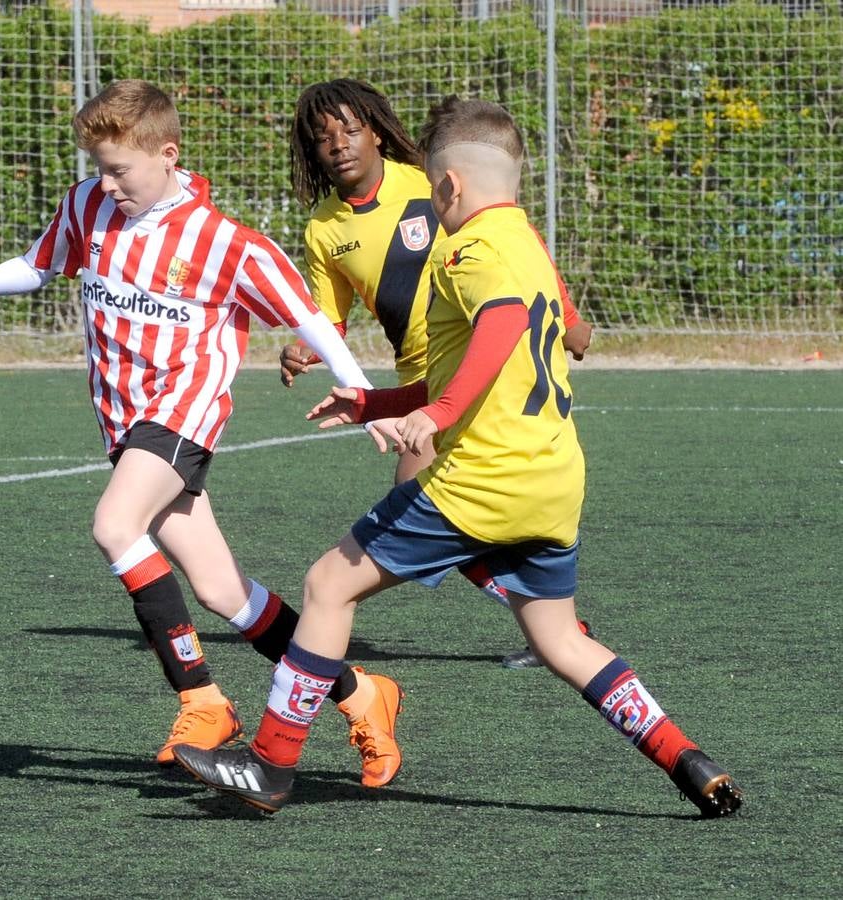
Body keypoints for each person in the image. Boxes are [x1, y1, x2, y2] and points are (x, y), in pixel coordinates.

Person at [175, 95, 742, 818]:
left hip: (481, 478)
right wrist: (375, 402)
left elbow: (501, 324)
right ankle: (685, 759)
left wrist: (435, 415)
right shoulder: (526, 243)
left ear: (446, 186)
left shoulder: (470, 249)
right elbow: (492, 349)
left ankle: (271, 766)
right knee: (560, 639)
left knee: (325, 587)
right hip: (552, 478)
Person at [0, 79, 404, 787]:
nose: (107, 183)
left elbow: (306, 316)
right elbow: (39, 264)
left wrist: (364, 395)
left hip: (181, 412)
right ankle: (359, 693)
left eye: (119, 169)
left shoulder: (226, 244)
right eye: (99, 167)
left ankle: (201, 698)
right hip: (123, 420)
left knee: (116, 526)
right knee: (221, 590)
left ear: (168, 153)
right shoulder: (88, 206)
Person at [277, 79, 594, 669]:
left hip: (477, 368)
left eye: (350, 130)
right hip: (417, 376)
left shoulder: (423, 178)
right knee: (425, 502)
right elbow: (329, 318)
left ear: (375, 131)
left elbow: (512, 239)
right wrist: (306, 347)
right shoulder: (323, 228)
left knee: (420, 505)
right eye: (323, 139)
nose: (339, 145)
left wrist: (566, 316)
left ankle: (556, 626)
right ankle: (553, 623)